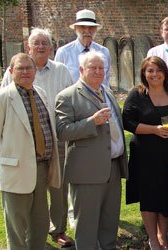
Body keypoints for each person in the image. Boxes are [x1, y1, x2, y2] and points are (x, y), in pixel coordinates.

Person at [0, 28, 74, 247]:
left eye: (45, 43)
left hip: (57, 137)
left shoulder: (61, 70)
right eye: (36, 43)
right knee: (29, 190)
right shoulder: (15, 71)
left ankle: (58, 229)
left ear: (52, 48)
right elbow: (4, 103)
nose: (41, 46)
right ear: (28, 47)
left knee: (59, 188)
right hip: (25, 142)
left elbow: (70, 100)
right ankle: (27, 234)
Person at [55, 51, 128, 249]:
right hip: (87, 173)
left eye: (101, 68)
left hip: (113, 168)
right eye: (92, 68)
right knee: (86, 229)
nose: (98, 71)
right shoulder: (68, 96)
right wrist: (91, 122)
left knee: (109, 224)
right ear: (81, 70)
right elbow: (62, 132)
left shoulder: (108, 92)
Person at [0, 53, 61, 250]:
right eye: (20, 68)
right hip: (16, 171)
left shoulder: (41, 93)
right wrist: (4, 160)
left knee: (40, 223)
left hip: (42, 169)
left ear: (35, 71)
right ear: (11, 72)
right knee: (17, 225)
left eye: (29, 68)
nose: (25, 72)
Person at [122, 56, 168, 249]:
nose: (154, 74)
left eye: (158, 70)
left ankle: (163, 236)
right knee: (149, 196)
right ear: (144, 73)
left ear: (165, 73)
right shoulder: (137, 94)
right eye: (150, 71)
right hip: (145, 156)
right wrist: (153, 129)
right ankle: (153, 239)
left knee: (167, 196)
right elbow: (127, 122)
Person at [55, 9, 112, 87]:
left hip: (98, 97)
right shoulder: (63, 53)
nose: (87, 31)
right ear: (75, 29)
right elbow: (57, 81)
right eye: (82, 27)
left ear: (96, 29)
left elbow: (106, 81)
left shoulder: (104, 52)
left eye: (91, 27)